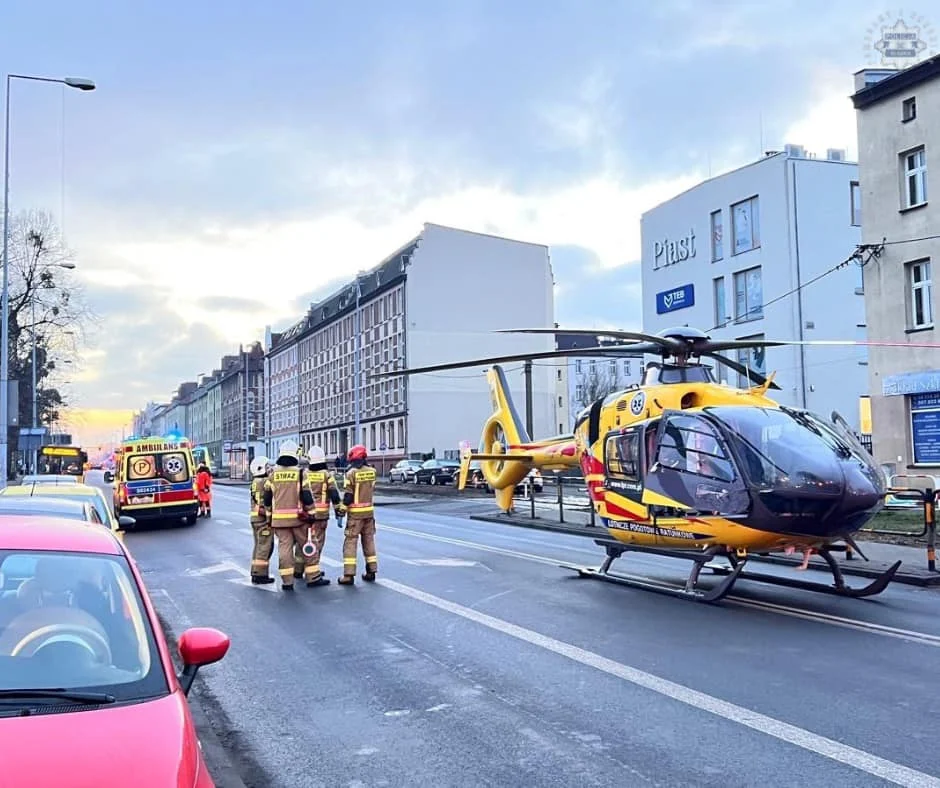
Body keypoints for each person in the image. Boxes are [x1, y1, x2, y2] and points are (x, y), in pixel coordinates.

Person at [263, 440, 328, 591]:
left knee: (284, 549)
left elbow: (266, 498)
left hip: (279, 521)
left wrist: (268, 516)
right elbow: (306, 495)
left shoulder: (273, 475)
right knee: (308, 545)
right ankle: (313, 577)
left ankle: (287, 582)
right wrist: (312, 514)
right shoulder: (300, 473)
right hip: (299, 520)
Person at [337, 444, 378, 585]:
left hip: (355, 515)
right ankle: (371, 571)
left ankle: (348, 575)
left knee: (350, 543)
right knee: (369, 542)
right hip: (369, 513)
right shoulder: (372, 471)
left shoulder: (350, 473)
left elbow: (348, 496)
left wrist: (341, 510)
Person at [304, 445, 341, 584]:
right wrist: (339, 511)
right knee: (317, 543)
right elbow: (334, 494)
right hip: (321, 516)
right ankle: (314, 571)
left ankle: (299, 569)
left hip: (306, 515)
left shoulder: (305, 473)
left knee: (304, 541)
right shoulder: (327, 475)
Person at [248, 455, 275, 584]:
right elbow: (265, 502)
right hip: (263, 519)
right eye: (267, 467)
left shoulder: (255, 482)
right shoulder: (264, 482)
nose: (270, 469)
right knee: (264, 547)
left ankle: (255, 571)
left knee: (258, 546)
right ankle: (260, 575)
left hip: (255, 519)